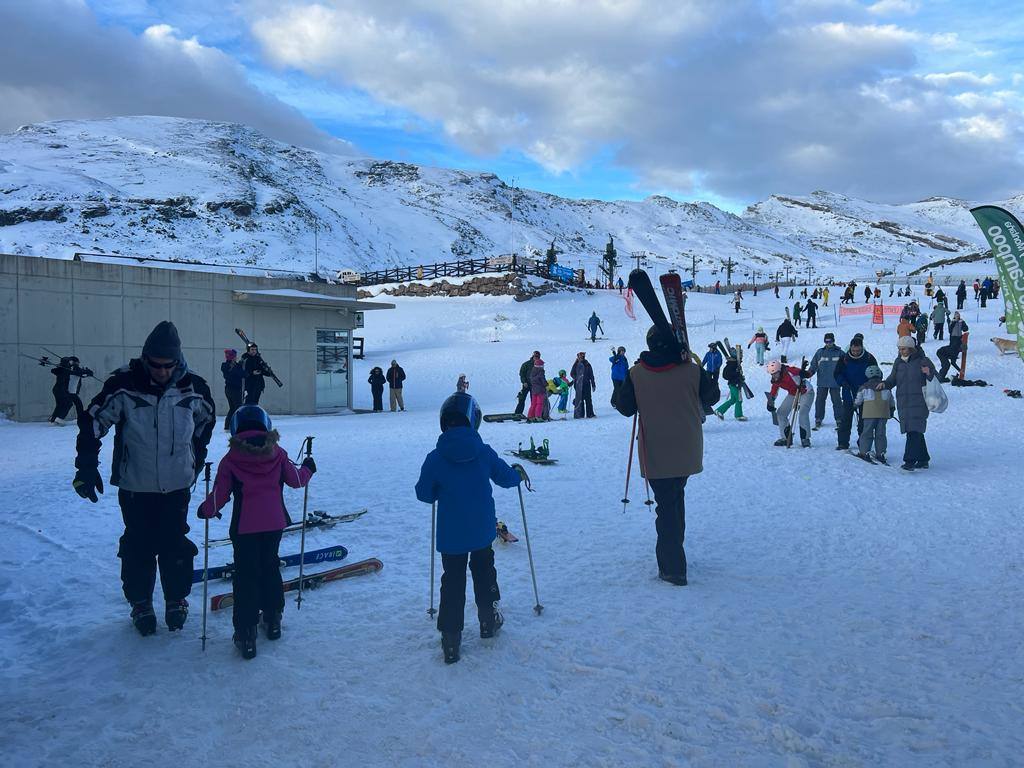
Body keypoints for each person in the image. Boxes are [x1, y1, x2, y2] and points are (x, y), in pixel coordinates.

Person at [73, 321, 216, 636]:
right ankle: (140, 603)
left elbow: (207, 420)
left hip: (177, 484)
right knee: (138, 545)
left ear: (178, 361)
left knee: (174, 543)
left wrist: (196, 456)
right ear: (145, 358)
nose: (162, 372)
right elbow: (93, 423)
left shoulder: (194, 388)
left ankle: (176, 599)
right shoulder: (124, 385)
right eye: (155, 365)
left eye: (169, 366)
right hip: (135, 485)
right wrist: (86, 465)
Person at [197, 406, 315, 659]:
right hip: (274, 523)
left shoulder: (231, 459)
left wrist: (206, 510)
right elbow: (296, 479)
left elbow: (220, 494)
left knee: (246, 575)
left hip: (244, 526)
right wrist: (308, 468)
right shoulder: (278, 453)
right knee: (270, 566)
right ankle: (273, 619)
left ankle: (246, 631)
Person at [415, 392, 523, 663]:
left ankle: (451, 640)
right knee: (484, 571)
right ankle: (488, 622)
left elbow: (424, 494)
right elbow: (506, 478)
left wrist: (440, 488)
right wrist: (517, 473)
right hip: (481, 529)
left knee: (452, 581)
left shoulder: (436, 457)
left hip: (452, 535)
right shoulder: (483, 452)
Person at [614, 325, 718, 585]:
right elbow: (712, 395)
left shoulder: (637, 373)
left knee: (668, 506)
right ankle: (674, 557)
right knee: (674, 500)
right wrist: (693, 364)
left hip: (655, 451)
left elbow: (624, 406)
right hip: (687, 448)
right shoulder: (692, 371)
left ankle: (673, 568)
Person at [880, 337, 936, 471]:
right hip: (904, 402)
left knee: (913, 430)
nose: (901, 351)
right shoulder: (898, 362)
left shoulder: (923, 361)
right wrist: (885, 384)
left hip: (920, 401)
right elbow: (893, 378)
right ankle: (923, 459)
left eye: (903, 349)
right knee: (914, 430)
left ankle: (909, 460)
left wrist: (929, 373)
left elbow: (936, 378)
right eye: (899, 349)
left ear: (911, 348)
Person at [833, 334, 878, 452]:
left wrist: (869, 385)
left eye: (858, 350)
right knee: (845, 419)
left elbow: (876, 374)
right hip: (849, 392)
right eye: (853, 350)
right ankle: (843, 442)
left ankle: (862, 442)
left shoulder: (869, 358)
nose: (856, 352)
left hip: (865, 393)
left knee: (864, 420)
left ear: (862, 348)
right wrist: (842, 382)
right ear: (850, 348)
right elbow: (837, 373)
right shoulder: (844, 358)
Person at [766, 360, 813, 447]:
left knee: (803, 413)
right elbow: (774, 391)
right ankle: (786, 438)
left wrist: (804, 373)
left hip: (806, 392)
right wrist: (770, 402)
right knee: (781, 413)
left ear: (780, 370)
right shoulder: (776, 380)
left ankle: (805, 438)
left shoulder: (790, 371)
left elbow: (808, 374)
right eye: (772, 374)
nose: (774, 376)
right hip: (793, 394)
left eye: (775, 373)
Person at [854, 365, 893, 464]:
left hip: (869, 413)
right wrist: (892, 410)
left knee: (867, 432)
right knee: (881, 434)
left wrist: (854, 405)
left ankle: (864, 452)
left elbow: (858, 400)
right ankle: (881, 453)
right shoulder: (886, 387)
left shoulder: (864, 387)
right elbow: (891, 401)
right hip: (883, 413)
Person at [808, 333, 843, 430]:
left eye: (830, 341)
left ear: (833, 341)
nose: (828, 343)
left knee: (837, 401)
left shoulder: (840, 353)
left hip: (835, 382)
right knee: (819, 401)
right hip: (822, 381)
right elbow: (814, 365)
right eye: (826, 341)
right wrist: (809, 373)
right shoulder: (820, 352)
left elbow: (845, 366)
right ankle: (818, 418)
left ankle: (839, 419)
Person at [49, 355, 91, 426]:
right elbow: (80, 373)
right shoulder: (69, 369)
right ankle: (59, 418)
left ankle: (53, 419)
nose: (78, 364)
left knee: (60, 405)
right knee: (70, 404)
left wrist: (60, 366)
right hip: (66, 391)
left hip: (58, 390)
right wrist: (88, 372)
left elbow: (53, 370)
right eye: (77, 362)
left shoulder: (65, 369)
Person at [715, 350, 748, 421]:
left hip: (735, 383)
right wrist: (736, 374)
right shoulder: (732, 364)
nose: (742, 357)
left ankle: (720, 410)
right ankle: (738, 415)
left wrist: (740, 376)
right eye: (740, 355)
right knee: (739, 399)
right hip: (734, 384)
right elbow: (726, 375)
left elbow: (737, 374)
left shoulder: (735, 364)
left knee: (733, 399)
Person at [937, 312, 969, 381]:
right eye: (956, 316)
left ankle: (940, 376)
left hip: (959, 338)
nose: (958, 317)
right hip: (953, 339)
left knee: (947, 363)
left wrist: (963, 323)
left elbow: (965, 329)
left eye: (958, 316)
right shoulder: (952, 322)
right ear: (954, 317)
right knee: (947, 364)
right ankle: (940, 377)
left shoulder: (961, 321)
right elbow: (950, 330)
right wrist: (954, 322)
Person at [221, 349, 245, 431]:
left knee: (232, 408)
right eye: (234, 356)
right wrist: (240, 366)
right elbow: (242, 374)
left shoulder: (225, 366)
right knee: (238, 408)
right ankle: (237, 426)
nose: (236, 358)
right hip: (234, 390)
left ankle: (227, 426)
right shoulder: (230, 367)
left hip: (228, 389)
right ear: (232, 357)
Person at [570, 351, 596, 418]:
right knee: (580, 399)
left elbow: (591, 375)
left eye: (583, 357)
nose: (582, 358)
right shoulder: (576, 365)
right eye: (581, 357)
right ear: (578, 357)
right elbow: (572, 374)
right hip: (578, 385)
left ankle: (590, 414)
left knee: (588, 399)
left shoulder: (587, 364)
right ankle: (580, 414)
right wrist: (577, 378)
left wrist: (593, 384)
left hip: (586, 384)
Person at [527, 357, 547, 421]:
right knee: (539, 403)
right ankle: (538, 416)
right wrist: (546, 384)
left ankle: (530, 416)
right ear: (540, 366)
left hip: (534, 390)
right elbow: (543, 381)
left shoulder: (532, 371)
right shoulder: (541, 372)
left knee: (533, 404)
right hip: (540, 390)